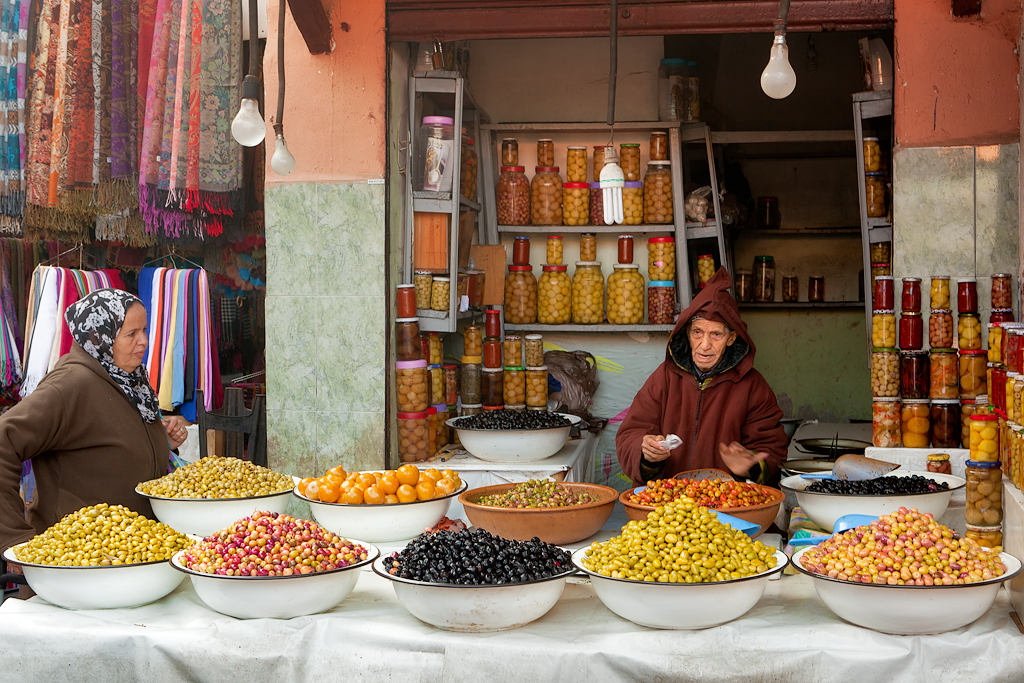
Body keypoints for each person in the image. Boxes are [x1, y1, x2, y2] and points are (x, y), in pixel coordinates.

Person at [0, 289, 189, 573]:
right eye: (131, 334)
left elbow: (109, 440)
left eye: (145, 330)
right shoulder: (70, 386)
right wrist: (15, 539)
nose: (144, 342)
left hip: (129, 559)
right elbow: (4, 441)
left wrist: (164, 442)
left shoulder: (129, 378)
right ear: (99, 336)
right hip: (75, 566)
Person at [616, 268, 787, 486]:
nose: (704, 346)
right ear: (687, 333)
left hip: (726, 508)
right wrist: (647, 454)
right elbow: (630, 433)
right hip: (666, 505)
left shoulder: (752, 387)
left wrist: (752, 466)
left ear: (732, 337)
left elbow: (772, 452)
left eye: (716, 334)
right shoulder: (665, 377)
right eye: (697, 332)